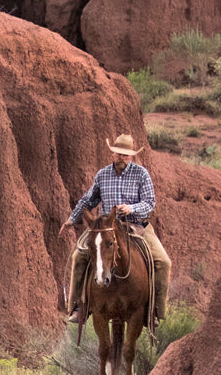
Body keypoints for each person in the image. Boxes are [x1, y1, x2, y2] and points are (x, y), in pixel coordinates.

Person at [57, 133, 171, 328]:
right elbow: (88, 200)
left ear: (132, 156)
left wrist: (131, 208)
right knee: (79, 256)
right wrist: (72, 218)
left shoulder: (141, 174)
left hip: (136, 226)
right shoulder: (102, 175)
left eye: (126, 155)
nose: (122, 158)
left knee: (163, 262)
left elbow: (150, 202)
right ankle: (78, 307)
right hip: (106, 227)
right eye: (119, 154)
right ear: (113, 154)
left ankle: (154, 311)